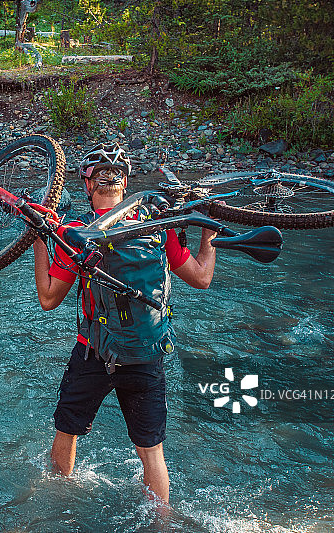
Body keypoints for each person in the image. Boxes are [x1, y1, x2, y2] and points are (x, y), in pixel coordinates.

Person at [32, 142, 218, 506]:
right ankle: (162, 523)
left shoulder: (79, 235)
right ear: (126, 184)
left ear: (87, 187)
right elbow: (201, 278)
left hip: (94, 354)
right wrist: (208, 232)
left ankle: (54, 507)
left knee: (67, 432)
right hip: (147, 354)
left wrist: (40, 239)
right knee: (151, 452)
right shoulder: (158, 228)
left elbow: (48, 298)